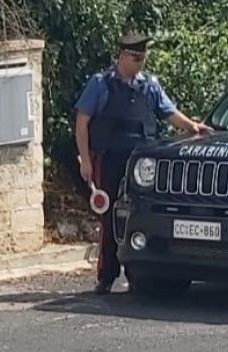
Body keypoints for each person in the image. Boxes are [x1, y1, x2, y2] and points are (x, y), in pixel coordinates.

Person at [73, 31, 210, 294]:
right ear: (122, 56)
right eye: (135, 58)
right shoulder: (100, 84)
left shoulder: (150, 86)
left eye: (142, 58)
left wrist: (193, 127)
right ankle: (107, 275)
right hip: (111, 159)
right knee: (110, 217)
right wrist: (85, 161)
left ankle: (140, 272)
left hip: (144, 165)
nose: (140, 63)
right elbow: (82, 123)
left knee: (143, 215)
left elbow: (169, 112)